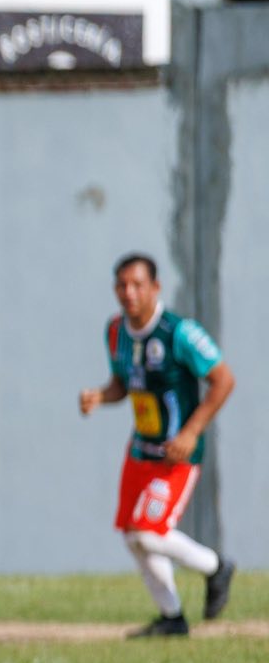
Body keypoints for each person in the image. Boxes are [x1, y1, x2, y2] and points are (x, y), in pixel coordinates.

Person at [78, 253, 236, 635]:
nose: (128, 293)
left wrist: (191, 432)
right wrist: (101, 395)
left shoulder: (178, 332)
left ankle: (216, 567)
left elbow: (223, 379)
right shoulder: (115, 331)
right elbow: (123, 383)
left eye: (137, 284)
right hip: (141, 450)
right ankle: (172, 618)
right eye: (122, 285)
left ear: (155, 287)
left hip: (177, 455)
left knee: (149, 532)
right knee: (134, 537)